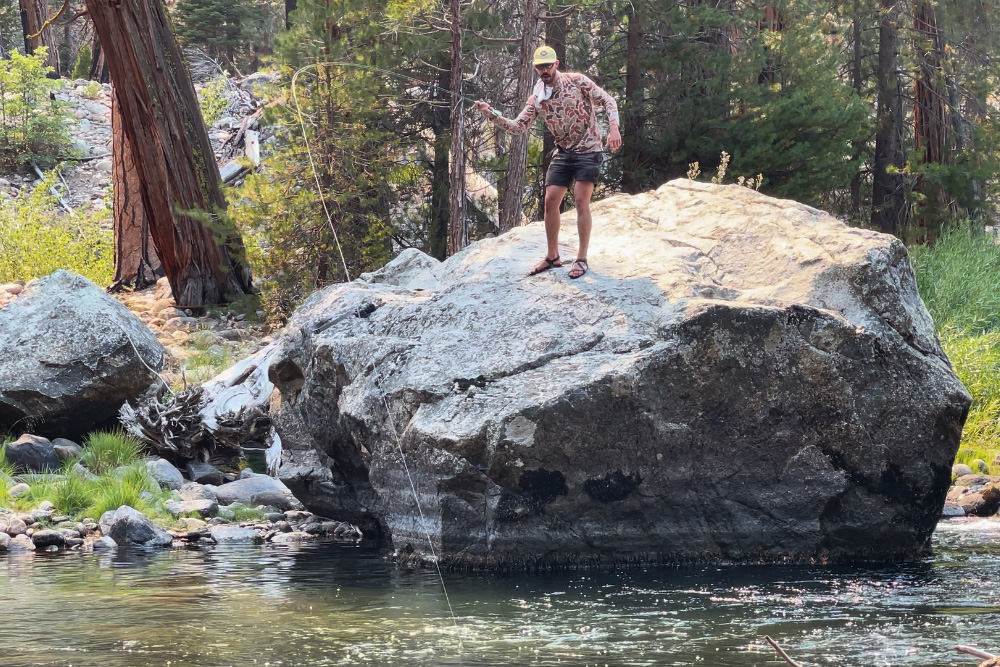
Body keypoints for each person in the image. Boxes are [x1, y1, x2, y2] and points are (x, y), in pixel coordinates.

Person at [474, 45, 621, 279]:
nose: (545, 70)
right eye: (540, 67)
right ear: (535, 68)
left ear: (556, 65)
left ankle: (581, 259)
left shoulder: (577, 81)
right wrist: (490, 113)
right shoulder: (537, 98)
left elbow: (609, 101)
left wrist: (613, 128)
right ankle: (553, 256)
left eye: (548, 65)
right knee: (550, 202)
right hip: (563, 153)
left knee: (582, 201)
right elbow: (518, 127)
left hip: (589, 150)